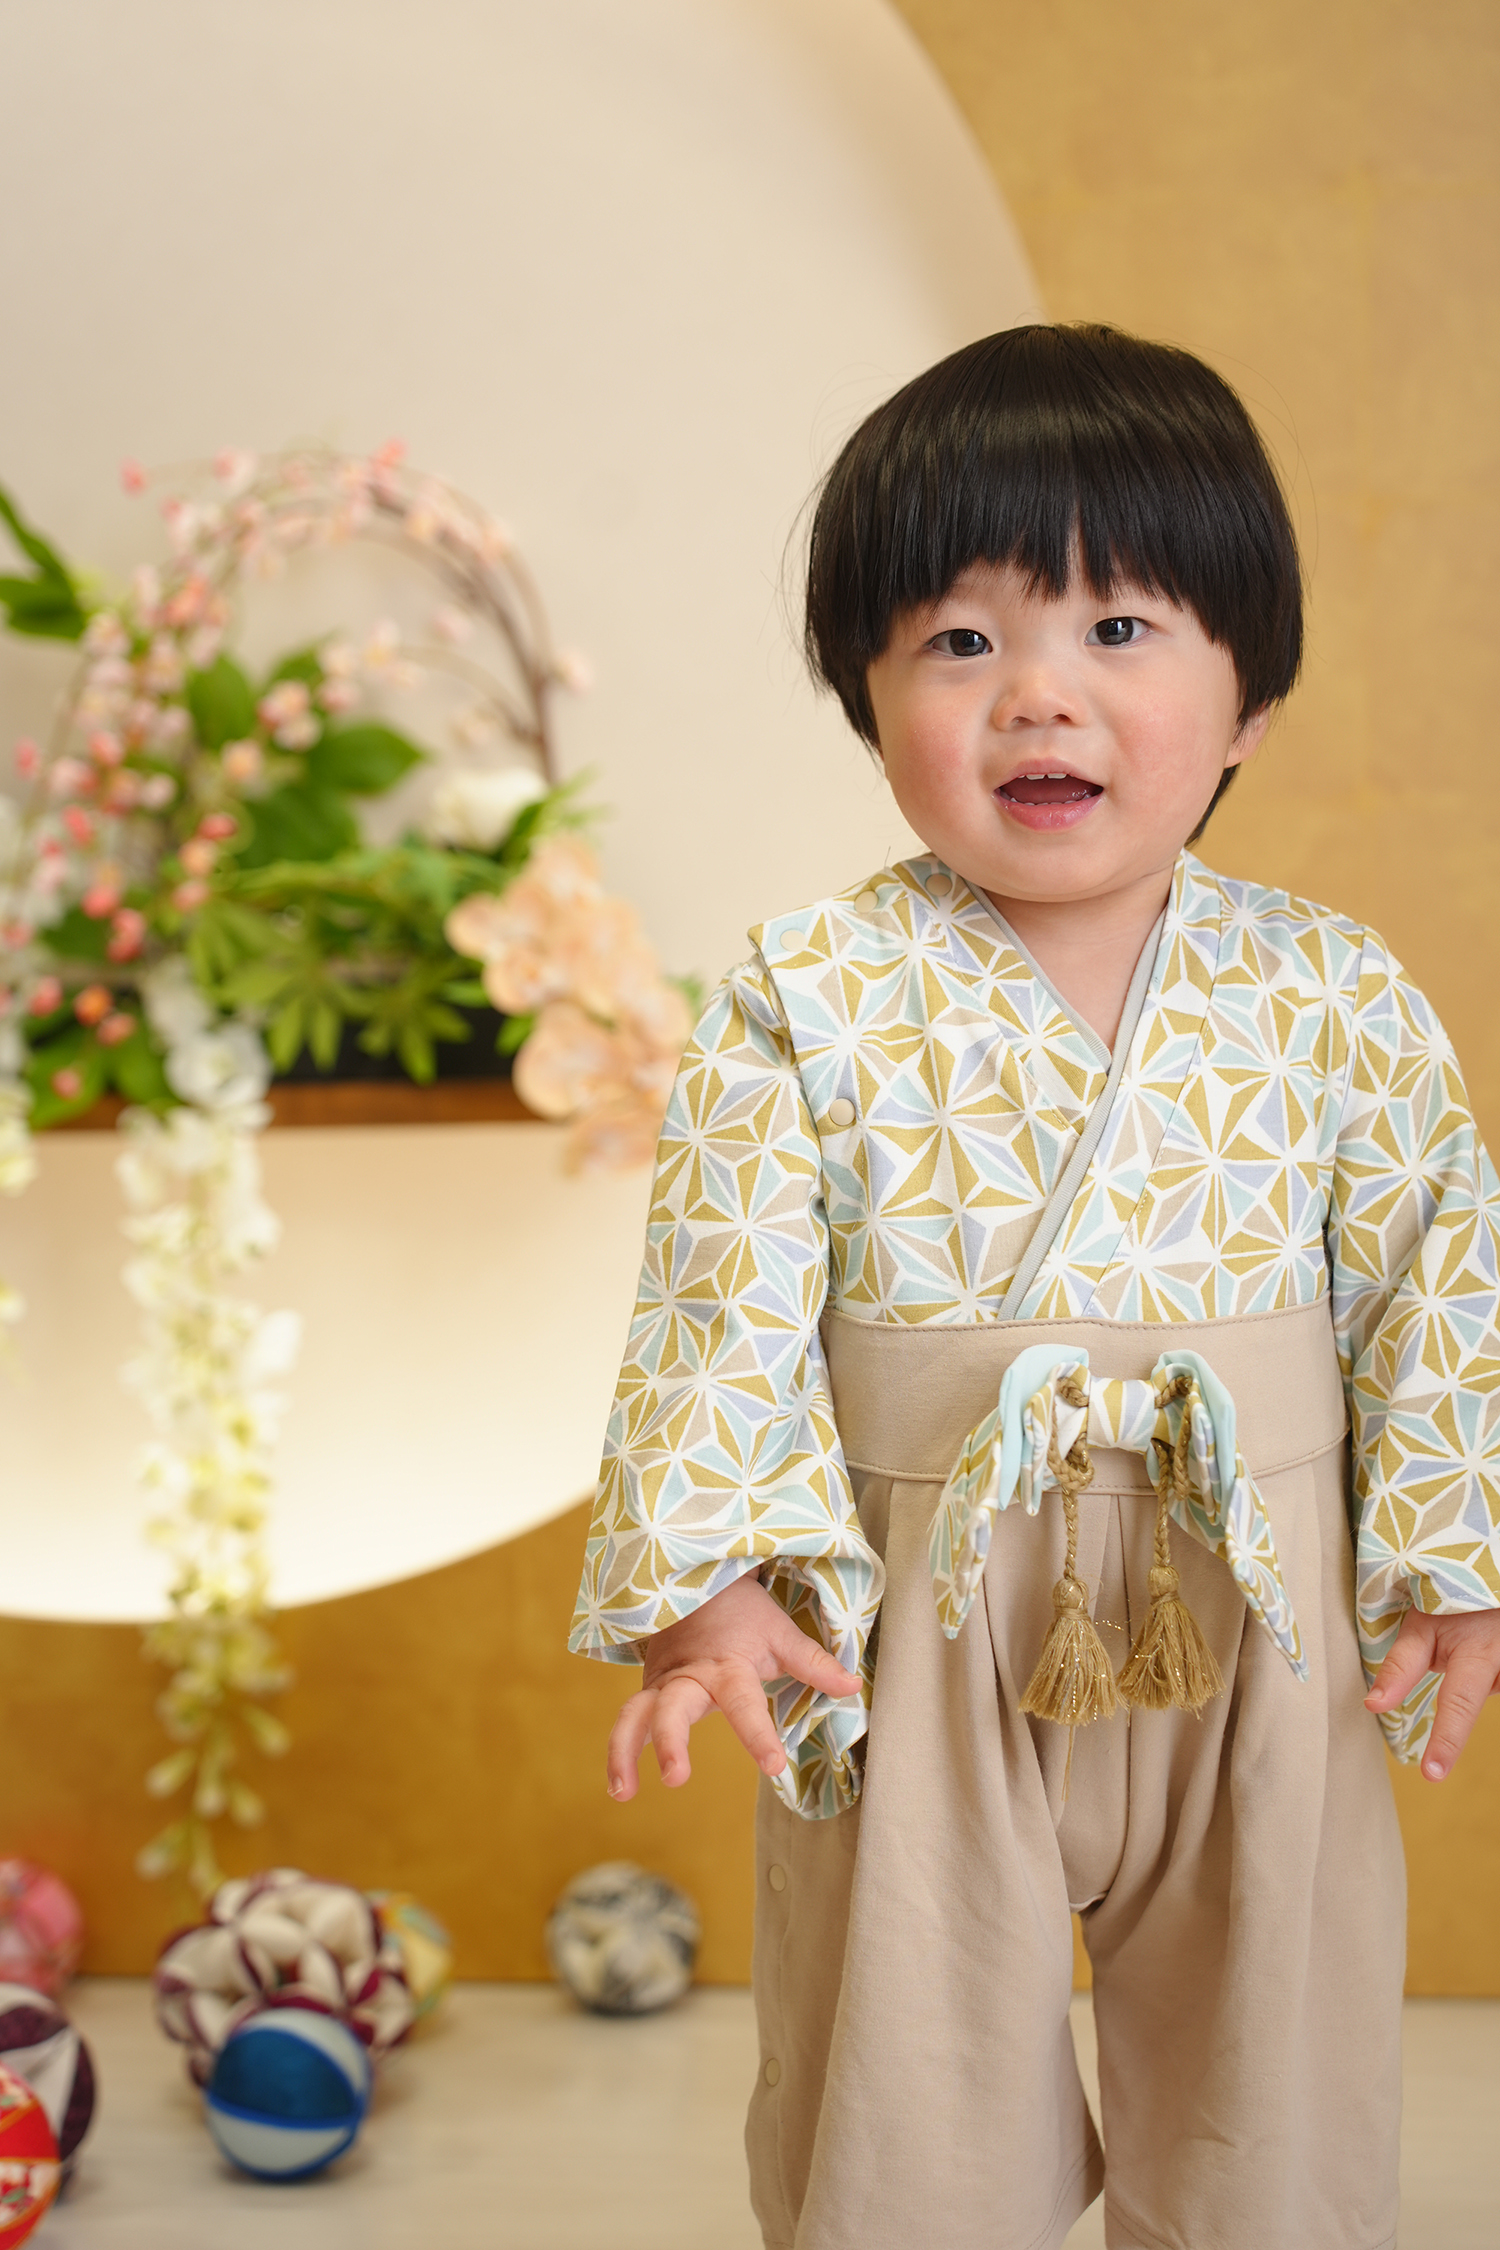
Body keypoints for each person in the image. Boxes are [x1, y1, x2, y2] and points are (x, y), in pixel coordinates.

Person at [569, 324, 1500, 2250]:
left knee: (1277, 2089)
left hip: (1262, 1619)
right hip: (911, 1627)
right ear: (866, 695)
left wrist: (1458, 1551)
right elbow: (720, 1303)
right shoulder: (805, 995)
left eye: (1119, 628)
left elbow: (1440, 1281)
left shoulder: (1332, 991)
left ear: (1250, 698)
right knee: (900, 2102)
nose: (1037, 693)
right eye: (961, 639)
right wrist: (712, 1589)